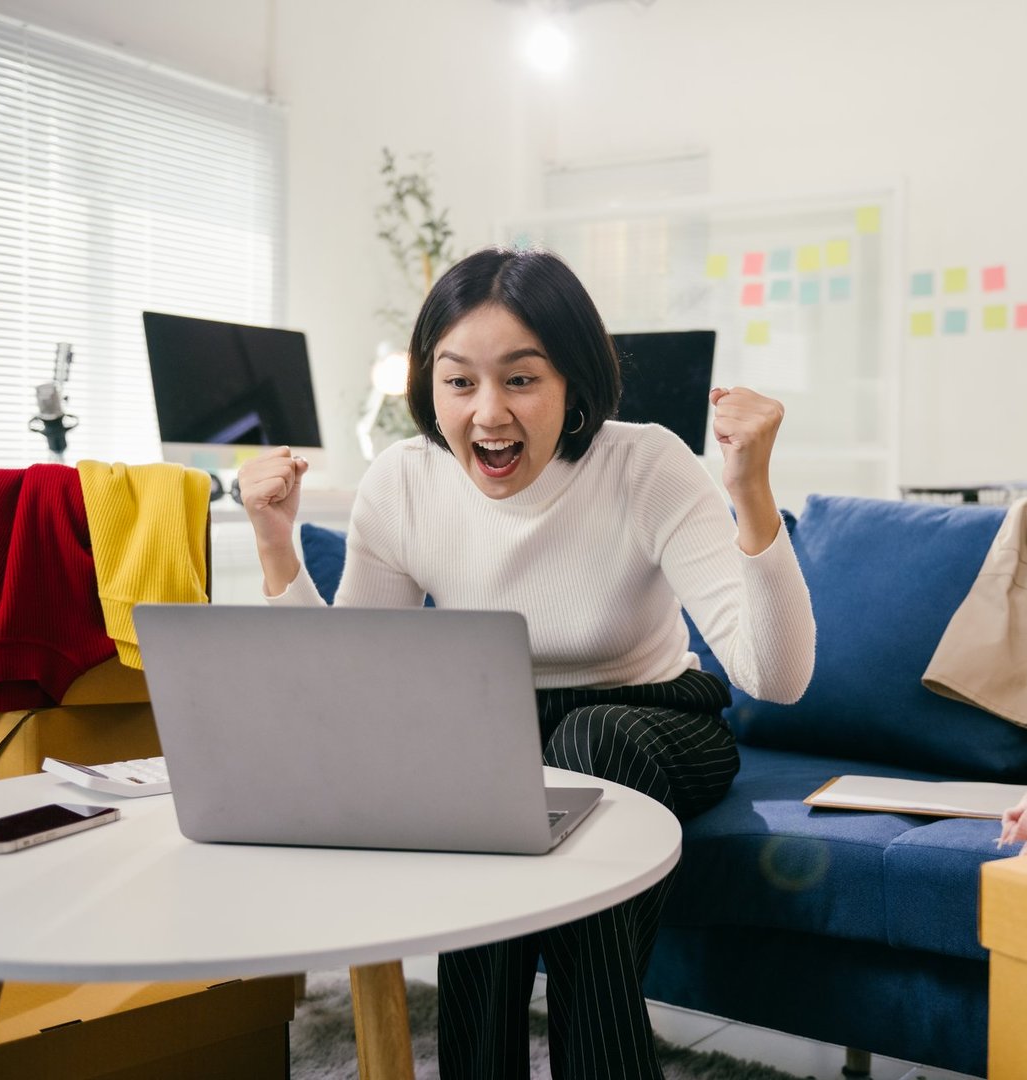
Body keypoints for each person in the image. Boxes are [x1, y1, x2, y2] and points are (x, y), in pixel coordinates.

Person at [236, 246, 816, 1080]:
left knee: (581, 748)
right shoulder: (403, 482)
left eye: (521, 379)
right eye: (459, 380)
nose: (487, 413)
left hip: (652, 723)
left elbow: (779, 675)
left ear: (574, 381)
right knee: (487, 773)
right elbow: (345, 689)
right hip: (496, 737)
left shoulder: (645, 464)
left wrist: (751, 490)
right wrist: (273, 543)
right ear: (427, 384)